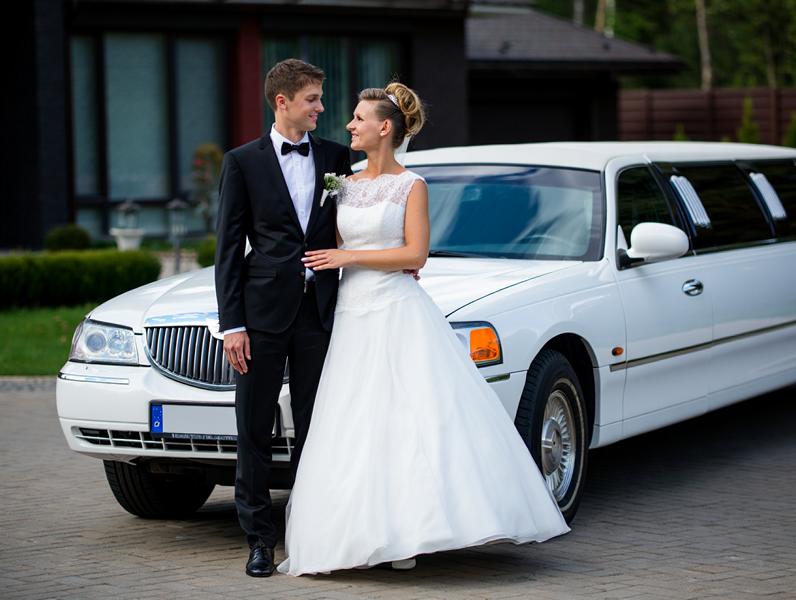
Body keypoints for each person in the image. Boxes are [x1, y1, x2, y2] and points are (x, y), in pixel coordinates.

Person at [277, 82, 570, 576]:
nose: (349, 125)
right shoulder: (340, 181)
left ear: (384, 128)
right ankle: (363, 534)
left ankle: (413, 532)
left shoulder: (413, 185)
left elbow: (415, 254)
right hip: (351, 314)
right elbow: (317, 237)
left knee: (409, 419)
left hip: (396, 311)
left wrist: (351, 256)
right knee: (354, 423)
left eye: (358, 118)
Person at [214, 58, 352, 577]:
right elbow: (228, 249)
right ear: (283, 101)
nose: (321, 107)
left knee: (317, 427)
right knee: (252, 427)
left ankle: (309, 532)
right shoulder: (242, 162)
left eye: (320, 97)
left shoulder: (338, 159)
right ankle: (258, 540)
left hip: (320, 316)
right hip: (259, 316)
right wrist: (232, 325)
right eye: (313, 99)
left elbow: (352, 229)